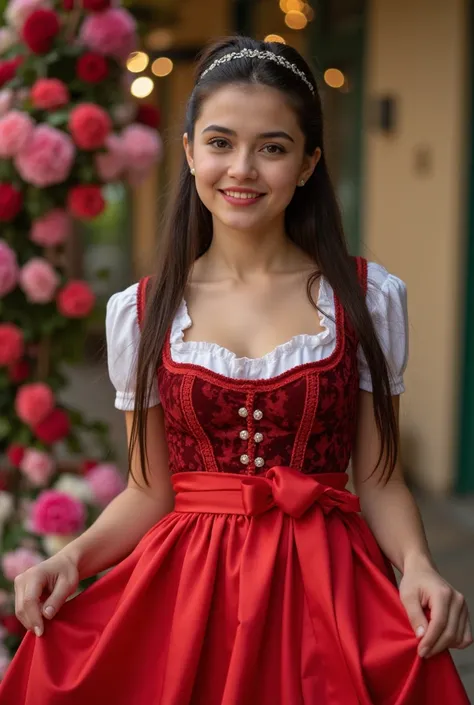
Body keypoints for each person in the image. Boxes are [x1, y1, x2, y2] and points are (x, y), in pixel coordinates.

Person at [0, 35, 471, 705]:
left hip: (326, 585)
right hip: (188, 591)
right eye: (220, 142)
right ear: (190, 150)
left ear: (308, 163)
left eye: (272, 148)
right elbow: (147, 489)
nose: (242, 168)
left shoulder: (366, 298)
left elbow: (379, 475)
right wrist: (70, 557)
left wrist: (418, 566)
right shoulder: (144, 310)